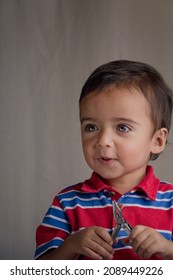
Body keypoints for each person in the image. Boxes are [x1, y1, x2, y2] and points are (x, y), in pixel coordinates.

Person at [35, 60, 173, 260]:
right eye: (91, 127)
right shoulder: (67, 202)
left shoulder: (170, 202)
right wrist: (72, 245)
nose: (102, 141)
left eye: (122, 127)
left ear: (157, 140)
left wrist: (168, 249)